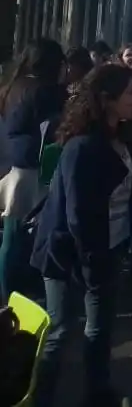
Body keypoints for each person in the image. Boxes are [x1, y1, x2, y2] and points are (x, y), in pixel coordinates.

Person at [30, 63, 132, 407]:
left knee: (99, 328)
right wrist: (92, 263)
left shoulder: (120, 138)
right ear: (107, 100)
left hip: (109, 246)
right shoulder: (83, 146)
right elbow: (78, 215)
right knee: (61, 329)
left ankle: (97, 392)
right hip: (69, 252)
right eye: (131, 93)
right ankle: (39, 396)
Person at [0, 39, 66, 301]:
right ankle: (15, 291)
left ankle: (6, 290)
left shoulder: (12, 86)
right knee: (23, 231)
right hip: (33, 167)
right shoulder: (44, 91)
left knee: (12, 230)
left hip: (11, 164)